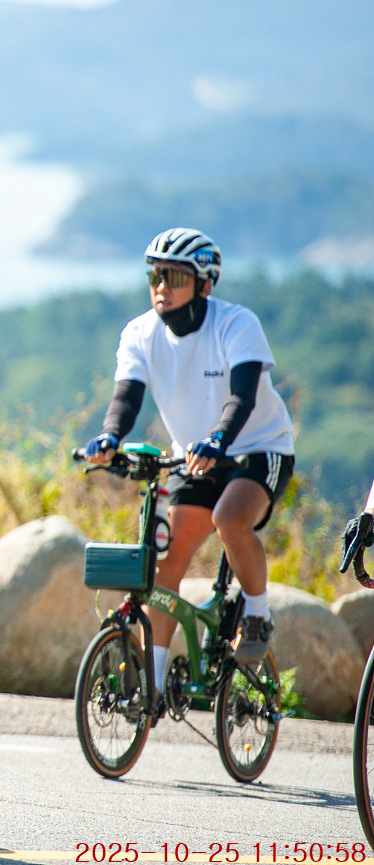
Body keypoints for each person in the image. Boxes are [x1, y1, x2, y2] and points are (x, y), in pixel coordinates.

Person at [83, 227, 295, 698]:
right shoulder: (139, 334)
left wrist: (218, 438)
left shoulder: (236, 324)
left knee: (230, 518)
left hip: (259, 449)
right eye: (155, 276)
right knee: (166, 564)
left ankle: (257, 615)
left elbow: (242, 397)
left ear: (204, 284)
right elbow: (126, 398)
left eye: (174, 277)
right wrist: (111, 436)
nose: (161, 286)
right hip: (194, 459)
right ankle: (153, 687)